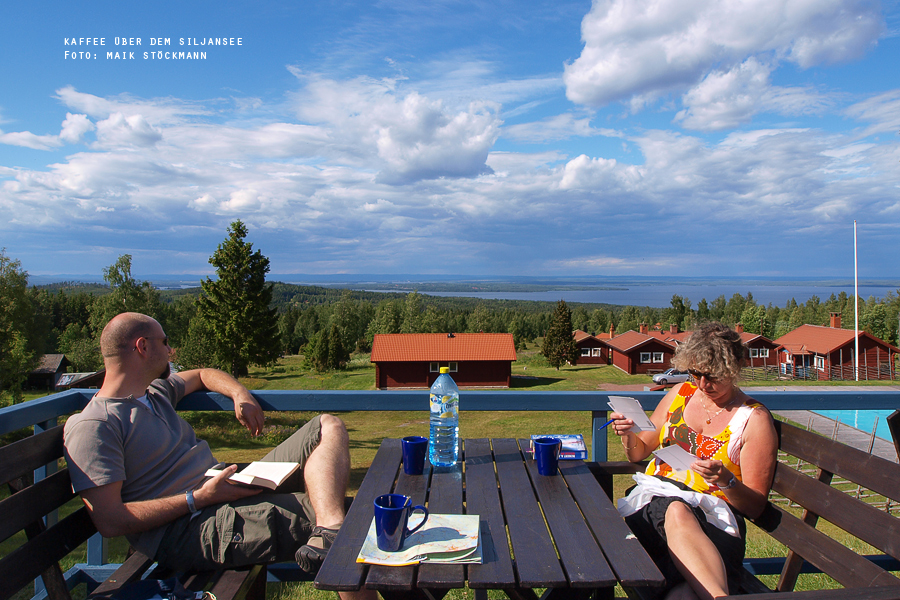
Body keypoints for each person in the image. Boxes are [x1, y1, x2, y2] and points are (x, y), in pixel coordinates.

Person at [63, 312, 376, 600]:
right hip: (188, 528)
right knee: (358, 526)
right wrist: (198, 498)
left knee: (326, 425)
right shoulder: (95, 425)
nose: (171, 351)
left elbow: (202, 374)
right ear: (142, 346)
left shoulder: (153, 394)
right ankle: (335, 530)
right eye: (165, 341)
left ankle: (330, 528)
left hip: (221, 489)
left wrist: (240, 394)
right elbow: (109, 519)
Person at [610, 322, 777, 600]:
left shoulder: (753, 420)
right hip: (655, 513)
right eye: (695, 372)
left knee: (677, 513)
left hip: (713, 525)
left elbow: (756, 506)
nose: (702, 384)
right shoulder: (681, 394)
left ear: (733, 370)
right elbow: (639, 453)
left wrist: (726, 480)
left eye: (712, 376)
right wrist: (628, 434)